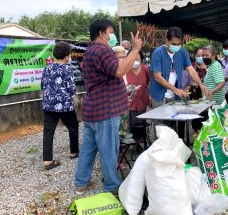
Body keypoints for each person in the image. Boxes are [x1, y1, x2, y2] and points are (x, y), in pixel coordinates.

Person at [75, 19, 143, 194]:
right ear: (102, 33)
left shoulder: (90, 50)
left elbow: (107, 77)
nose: (112, 35)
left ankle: (81, 183)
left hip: (93, 109)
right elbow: (119, 71)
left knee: (88, 149)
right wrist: (134, 50)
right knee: (108, 150)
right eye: (111, 31)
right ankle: (112, 186)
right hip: (105, 110)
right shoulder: (102, 50)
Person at [148, 27, 211, 137]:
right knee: (161, 126)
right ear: (166, 41)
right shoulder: (158, 53)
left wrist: (201, 85)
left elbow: (191, 70)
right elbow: (157, 77)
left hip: (175, 95)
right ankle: (162, 148)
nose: (176, 46)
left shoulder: (182, 52)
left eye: (179, 44)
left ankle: (176, 147)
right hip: (159, 94)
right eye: (173, 43)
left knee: (173, 123)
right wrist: (175, 89)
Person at [41, 41, 79, 170]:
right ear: (66, 55)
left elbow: (43, 85)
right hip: (64, 104)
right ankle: (73, 152)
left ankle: (47, 161)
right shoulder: (67, 69)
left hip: (48, 104)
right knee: (73, 126)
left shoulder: (47, 68)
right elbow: (71, 88)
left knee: (48, 131)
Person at [125, 50, 150, 147]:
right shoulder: (125, 70)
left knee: (141, 120)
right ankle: (134, 141)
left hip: (142, 99)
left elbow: (148, 81)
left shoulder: (145, 69)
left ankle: (142, 139)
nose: (136, 61)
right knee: (132, 121)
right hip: (129, 101)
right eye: (134, 59)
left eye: (138, 59)